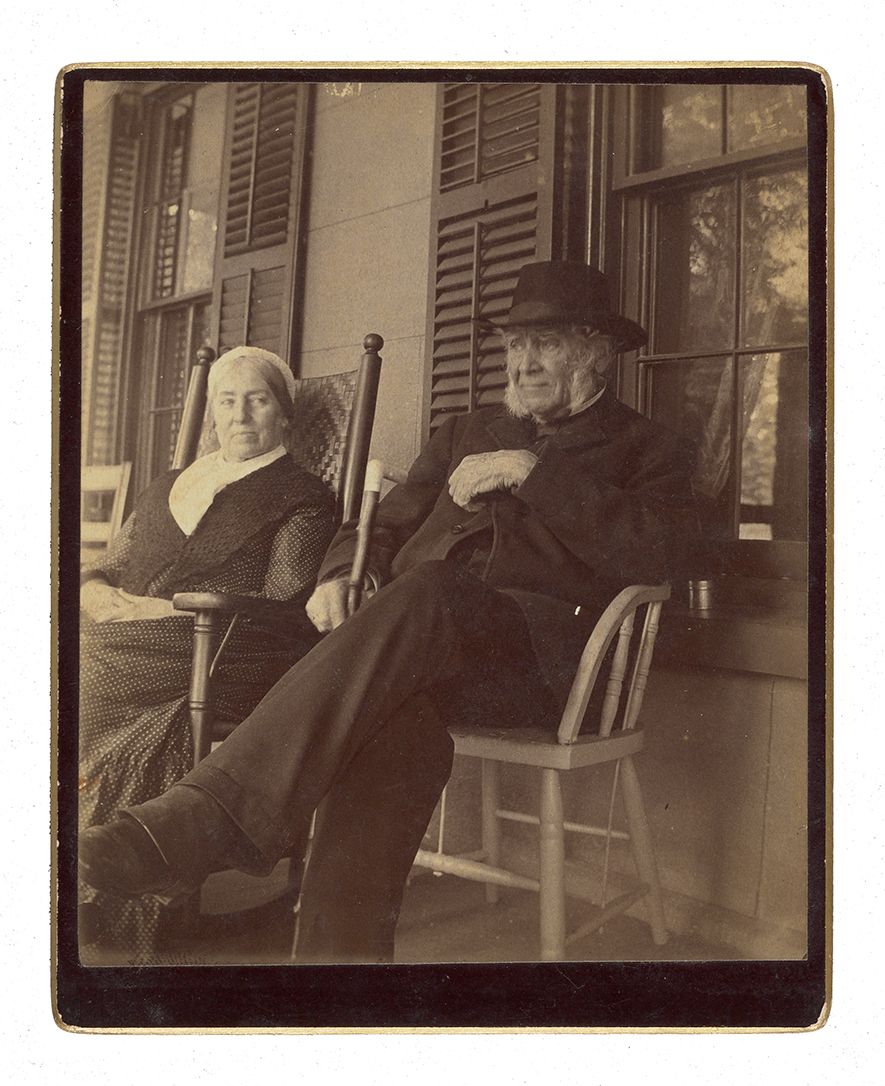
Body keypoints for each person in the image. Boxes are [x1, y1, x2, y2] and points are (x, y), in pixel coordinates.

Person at [79, 262, 698, 964]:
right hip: (413, 653)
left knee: (430, 590)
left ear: (597, 351)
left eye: (546, 345)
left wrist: (533, 474)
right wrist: (345, 573)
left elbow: (664, 554)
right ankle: (338, 967)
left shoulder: (651, 448)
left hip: (534, 667)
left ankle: (210, 817)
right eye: (513, 345)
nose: (523, 363)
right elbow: (375, 527)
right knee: (391, 722)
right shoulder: (463, 430)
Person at [78, 346, 337, 962]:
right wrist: (94, 592)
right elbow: (111, 565)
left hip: (237, 648)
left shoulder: (302, 496)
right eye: (228, 401)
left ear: (284, 417)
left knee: (67, 674)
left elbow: (284, 598)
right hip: (140, 642)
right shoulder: (171, 485)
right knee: (79, 670)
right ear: (212, 415)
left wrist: (158, 610)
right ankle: (92, 870)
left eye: (259, 399)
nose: (242, 415)